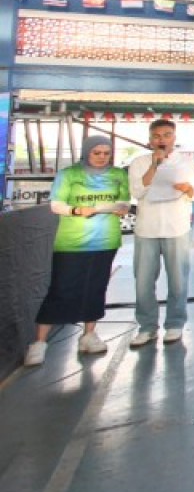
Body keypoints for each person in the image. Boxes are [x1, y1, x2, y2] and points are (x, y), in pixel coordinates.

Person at [24, 135, 130, 367]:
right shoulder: (69, 174)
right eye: (97, 153)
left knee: (96, 287)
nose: (102, 157)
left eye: (106, 153)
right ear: (87, 152)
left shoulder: (118, 174)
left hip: (106, 241)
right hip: (72, 242)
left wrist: (119, 208)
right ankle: (39, 342)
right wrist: (75, 210)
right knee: (61, 289)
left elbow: (125, 203)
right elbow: (56, 204)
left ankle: (89, 335)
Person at [128, 118, 194, 347]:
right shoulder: (139, 162)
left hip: (176, 227)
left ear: (174, 138)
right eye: (157, 136)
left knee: (178, 280)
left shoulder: (187, 162)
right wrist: (155, 165)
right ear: (150, 140)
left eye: (167, 135)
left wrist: (187, 188)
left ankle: (175, 324)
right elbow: (137, 191)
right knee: (143, 282)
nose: (162, 140)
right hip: (146, 228)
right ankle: (147, 326)